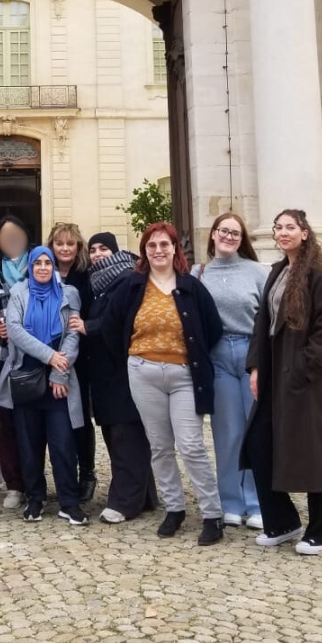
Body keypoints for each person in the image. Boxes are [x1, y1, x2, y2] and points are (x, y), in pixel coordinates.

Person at [102, 221, 225, 544]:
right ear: (144, 250)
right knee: (159, 446)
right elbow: (113, 327)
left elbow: (212, 328)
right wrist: (133, 358)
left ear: (175, 249)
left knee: (191, 445)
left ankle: (212, 514)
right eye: (152, 245)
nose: (158, 251)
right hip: (143, 372)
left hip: (185, 375)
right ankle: (175, 508)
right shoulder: (131, 285)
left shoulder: (191, 287)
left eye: (164, 245)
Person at [243, 208, 322, 556]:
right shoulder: (276, 271)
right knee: (260, 444)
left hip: (308, 381)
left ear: (305, 233)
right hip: (275, 375)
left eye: (291, 227)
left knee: (315, 452)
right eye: (279, 227)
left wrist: (305, 368)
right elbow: (263, 323)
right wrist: (257, 367)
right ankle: (282, 521)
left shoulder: (316, 274)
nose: (283, 232)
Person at [0, 246, 88, 526]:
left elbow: (72, 335)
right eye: (38, 264)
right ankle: (35, 498)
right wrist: (49, 355)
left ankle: (69, 502)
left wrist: (59, 371)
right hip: (27, 377)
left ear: (54, 266)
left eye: (48, 263)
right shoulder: (19, 293)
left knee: (63, 444)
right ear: (31, 267)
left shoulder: (69, 294)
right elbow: (15, 332)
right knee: (29, 445)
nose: (43, 268)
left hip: (60, 380)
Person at [68, 233, 158, 525]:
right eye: (92, 250)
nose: (96, 254)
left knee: (125, 436)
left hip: (123, 371)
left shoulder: (127, 279)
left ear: (115, 250)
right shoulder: (101, 284)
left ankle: (125, 501)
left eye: (103, 248)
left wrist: (87, 326)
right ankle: (145, 496)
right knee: (121, 434)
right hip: (107, 373)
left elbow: (124, 321)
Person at [198, 211, 267, 530]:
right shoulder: (200, 273)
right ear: (212, 234)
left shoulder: (257, 272)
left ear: (243, 239)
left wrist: (261, 362)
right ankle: (230, 501)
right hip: (218, 356)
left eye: (235, 233)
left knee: (255, 431)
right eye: (223, 231)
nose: (228, 236)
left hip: (251, 353)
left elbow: (269, 320)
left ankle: (257, 502)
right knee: (226, 433)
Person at [0, 215, 31, 508]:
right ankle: (14, 484)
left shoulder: (39, 263)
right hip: (0, 356)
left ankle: (34, 480)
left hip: (32, 355)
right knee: (6, 422)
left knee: (33, 422)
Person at [48, 222, 96, 502]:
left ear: (78, 247)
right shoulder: (43, 270)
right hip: (50, 354)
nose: (65, 248)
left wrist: (85, 323)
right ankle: (61, 476)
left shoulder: (86, 275)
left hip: (81, 355)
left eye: (70, 244)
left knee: (80, 418)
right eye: (59, 243)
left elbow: (95, 309)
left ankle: (87, 472)